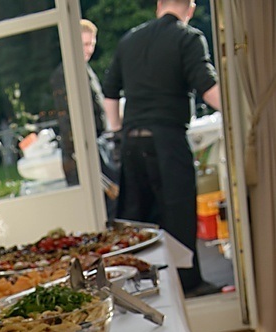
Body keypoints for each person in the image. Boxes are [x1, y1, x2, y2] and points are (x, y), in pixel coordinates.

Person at [103, 0, 221, 296]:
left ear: (159, 5)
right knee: (178, 209)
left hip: (132, 139)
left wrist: (118, 132)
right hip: (166, 136)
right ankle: (188, 283)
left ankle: (145, 284)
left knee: (140, 217)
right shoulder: (187, 37)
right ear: (190, 8)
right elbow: (207, 86)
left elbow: (109, 93)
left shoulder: (129, 39)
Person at [51, 19, 120, 222]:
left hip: (96, 145)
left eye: (90, 44)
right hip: (83, 149)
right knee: (103, 205)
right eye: (83, 44)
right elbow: (69, 121)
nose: (88, 50)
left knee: (111, 201)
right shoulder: (66, 74)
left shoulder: (83, 70)